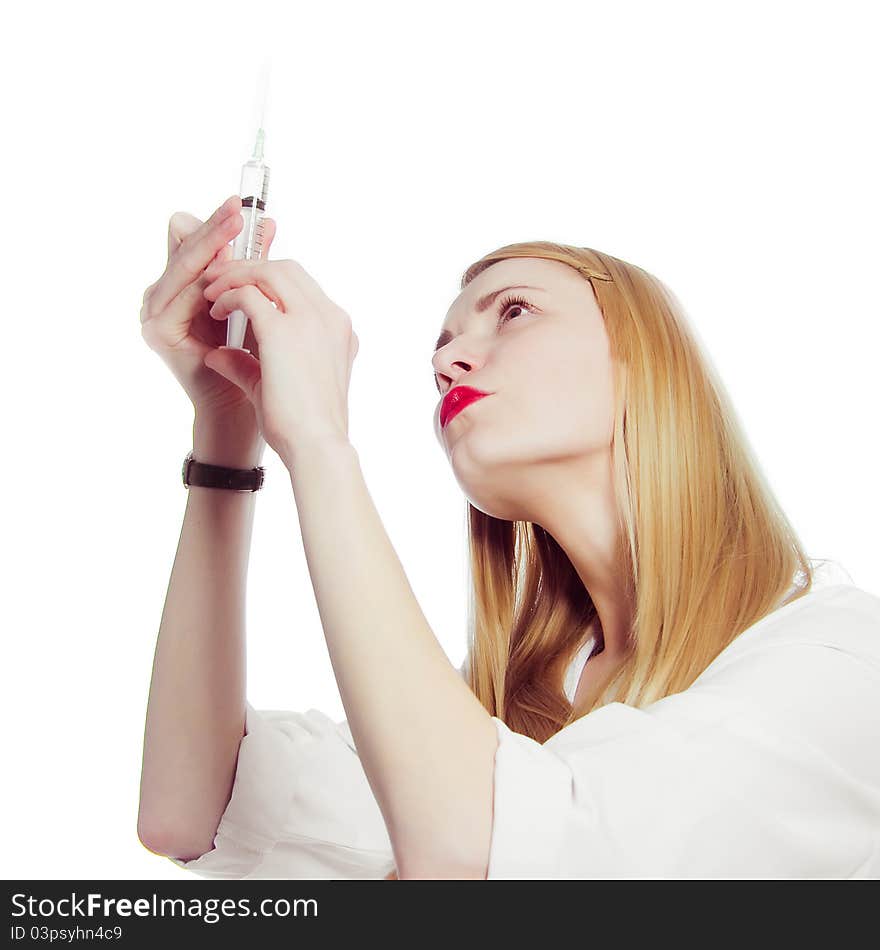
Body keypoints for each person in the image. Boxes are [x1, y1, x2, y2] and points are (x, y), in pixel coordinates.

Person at [137, 197, 880, 880]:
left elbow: (477, 855)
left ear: (646, 357)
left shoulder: (839, 658)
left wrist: (323, 444)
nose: (444, 362)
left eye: (515, 311)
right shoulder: (496, 714)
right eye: (444, 344)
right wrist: (227, 427)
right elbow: (191, 812)